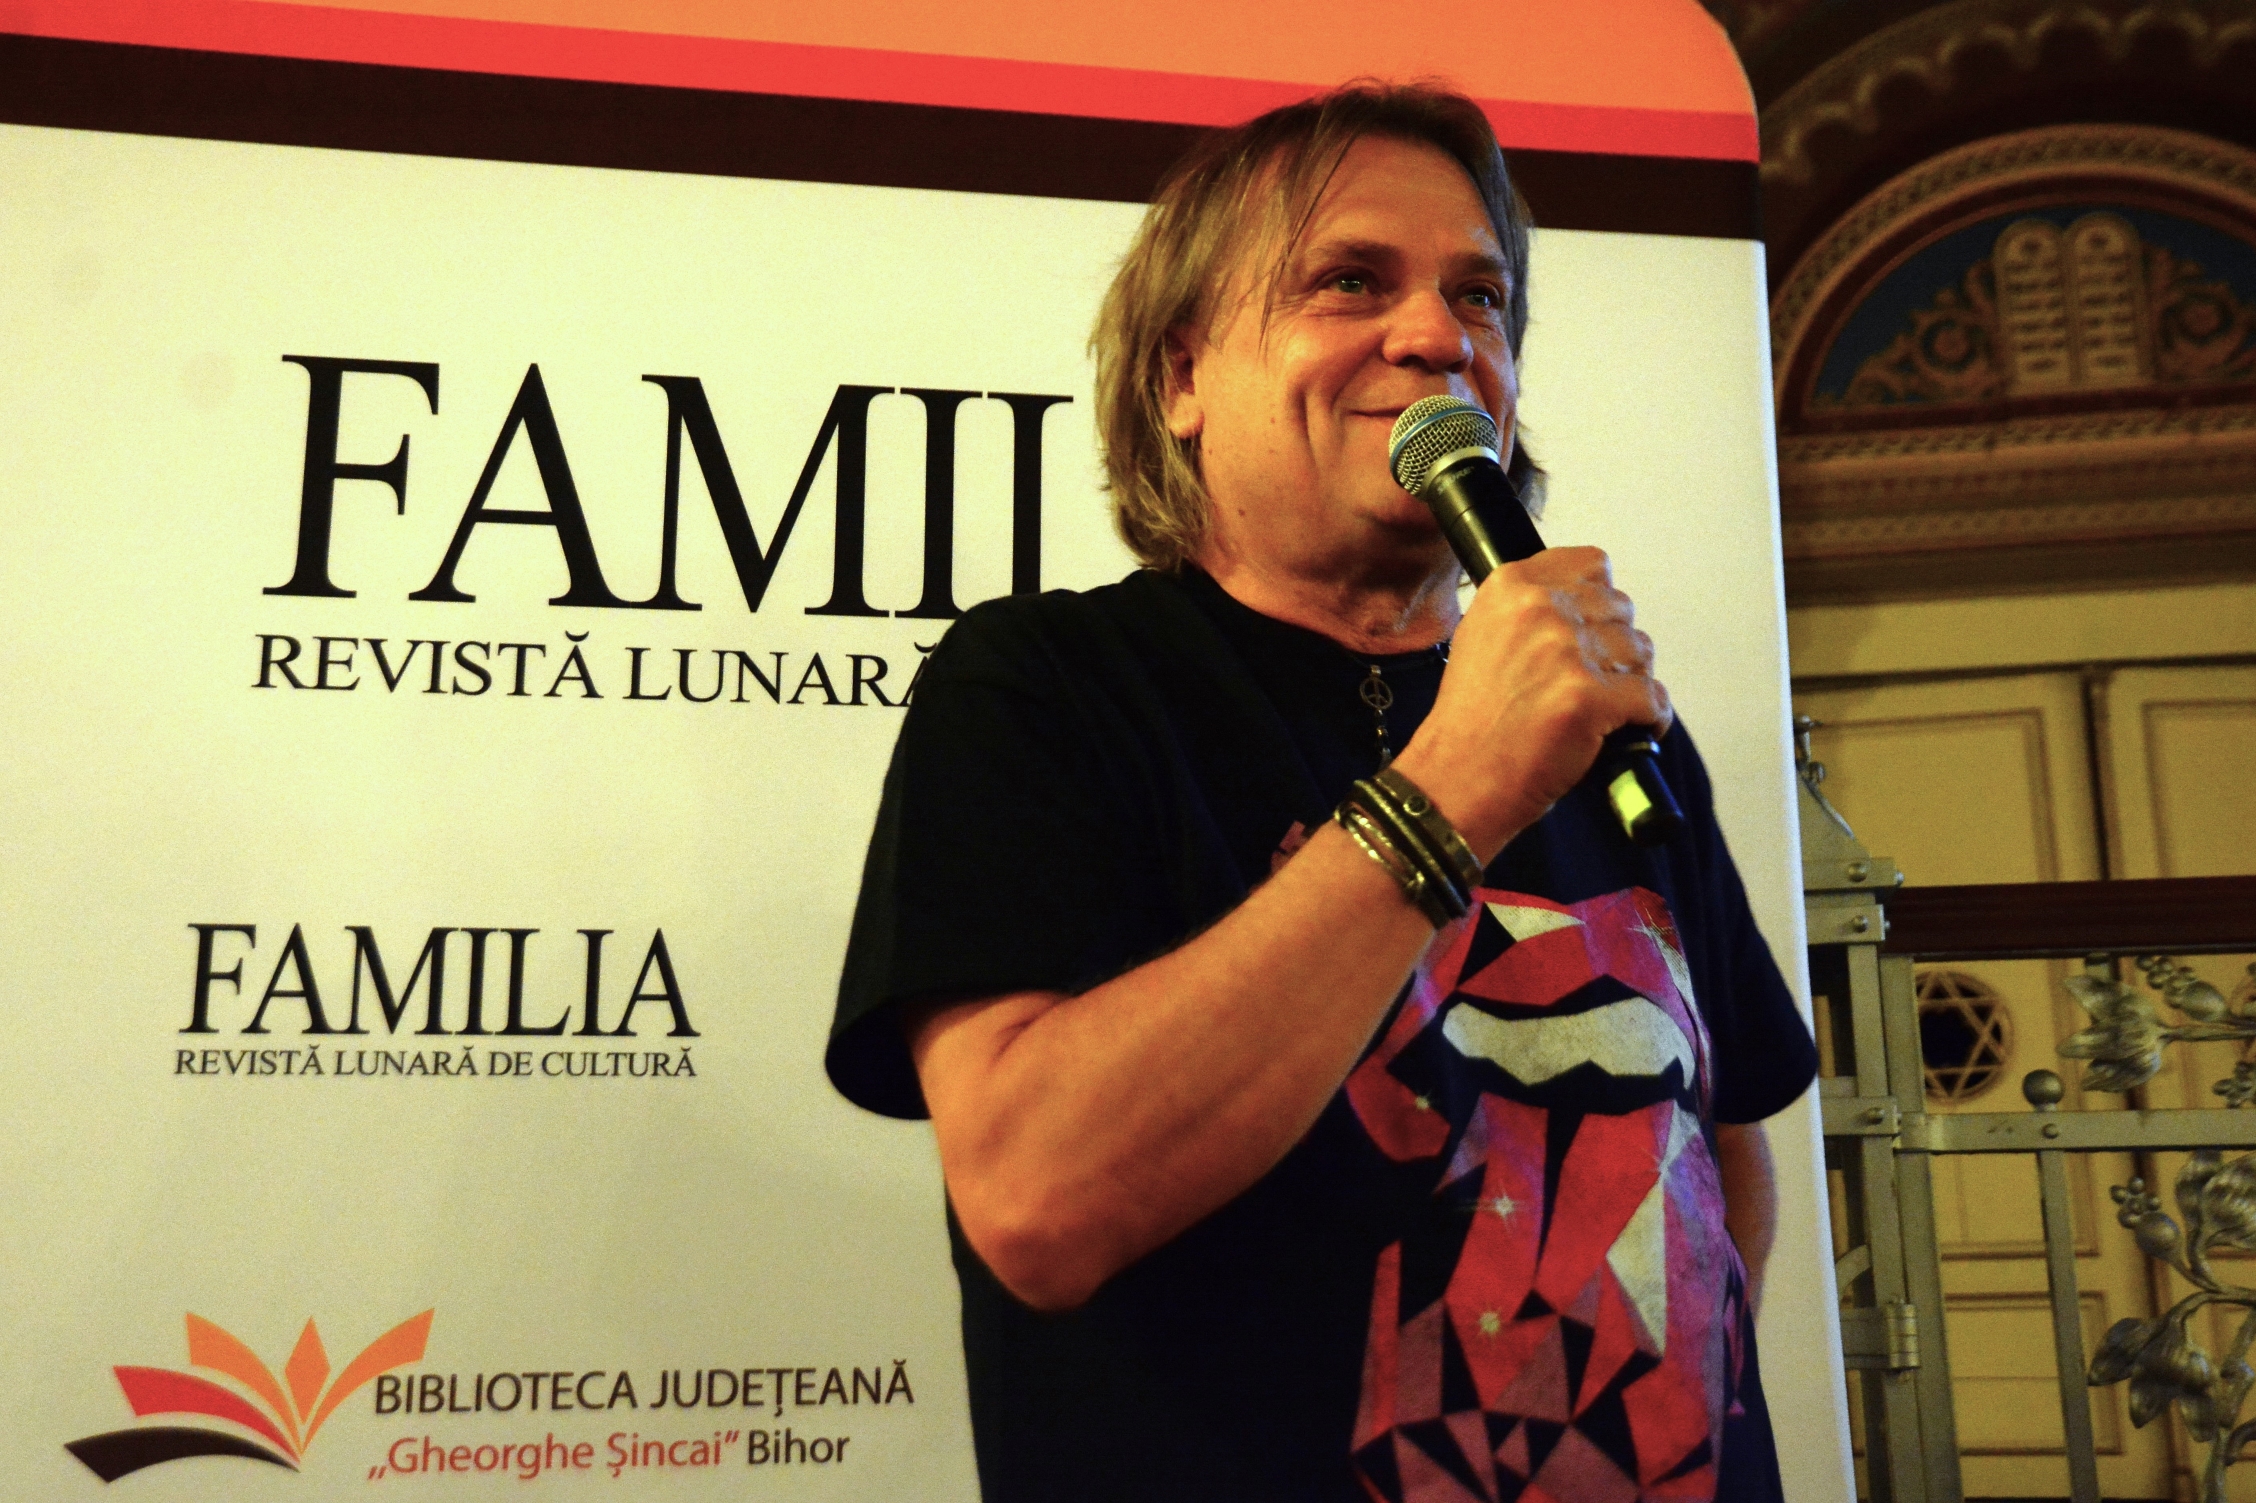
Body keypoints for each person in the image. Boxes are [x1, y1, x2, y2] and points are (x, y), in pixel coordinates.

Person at [827, 82, 1817, 1503]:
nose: (1438, 337)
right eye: (1350, 281)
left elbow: (1722, 1141)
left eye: (1480, 298)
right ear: (1181, 377)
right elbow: (1036, 1202)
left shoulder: (1593, 713)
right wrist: (1451, 789)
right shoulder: (1046, 688)